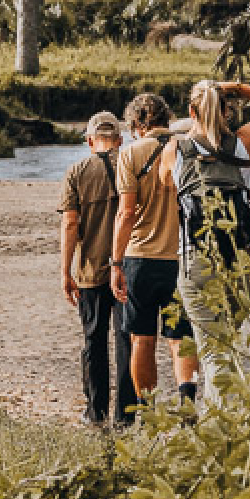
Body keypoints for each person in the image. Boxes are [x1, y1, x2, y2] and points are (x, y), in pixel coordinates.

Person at [168, 77, 250, 396]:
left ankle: (220, 429)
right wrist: (235, 86)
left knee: (211, 351)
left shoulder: (175, 150)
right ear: (228, 112)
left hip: (197, 257)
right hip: (242, 256)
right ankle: (229, 420)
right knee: (226, 345)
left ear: (192, 111)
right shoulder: (243, 144)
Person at [110, 93, 189, 417]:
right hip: (181, 256)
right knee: (181, 338)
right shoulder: (185, 149)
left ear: (135, 125)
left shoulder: (130, 154)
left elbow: (125, 214)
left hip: (140, 257)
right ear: (166, 119)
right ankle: (187, 401)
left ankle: (149, 410)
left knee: (142, 339)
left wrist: (116, 263)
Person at [57, 111, 128, 425]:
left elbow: (70, 224)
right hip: (128, 268)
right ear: (120, 140)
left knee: (93, 341)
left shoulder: (77, 171)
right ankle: (127, 414)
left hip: (89, 271)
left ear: (89, 141)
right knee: (127, 340)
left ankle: (95, 410)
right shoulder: (132, 167)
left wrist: (65, 271)